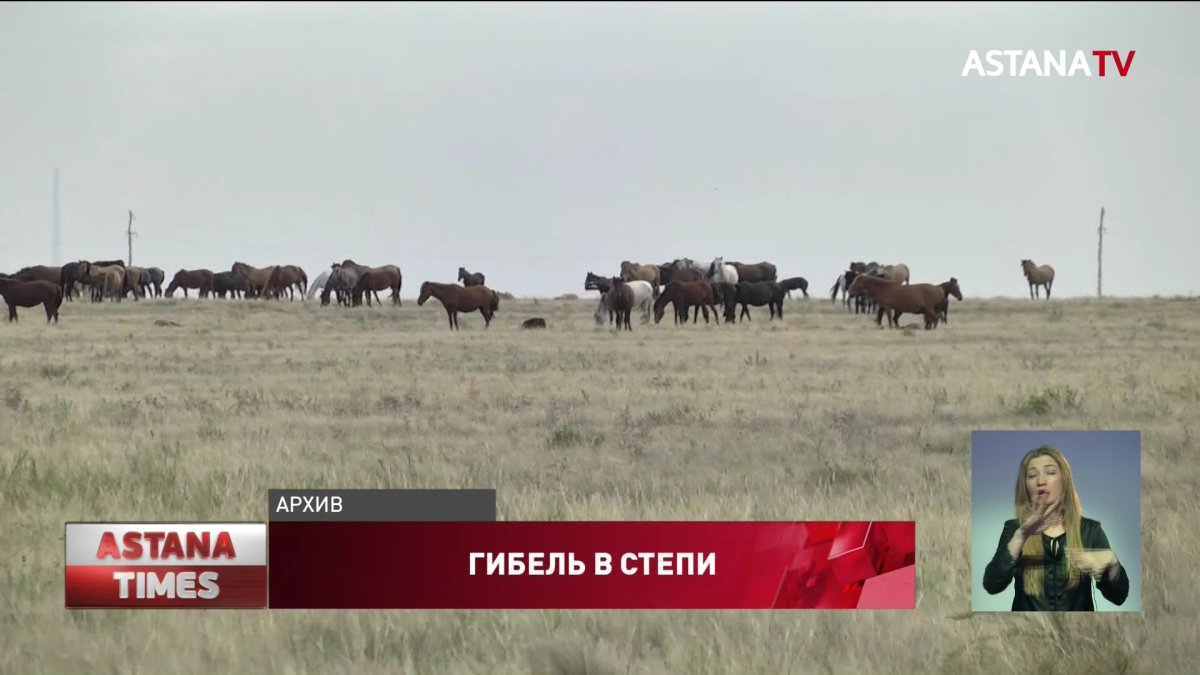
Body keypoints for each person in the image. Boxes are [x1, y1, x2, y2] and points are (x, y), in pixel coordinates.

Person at [982, 445, 1130, 611]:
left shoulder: (1090, 530)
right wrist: (1020, 538)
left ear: (1064, 481)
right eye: (1032, 475)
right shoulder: (1013, 529)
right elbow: (991, 585)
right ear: (1025, 486)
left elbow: (1118, 598)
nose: (1041, 481)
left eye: (1050, 472)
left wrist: (1113, 564)